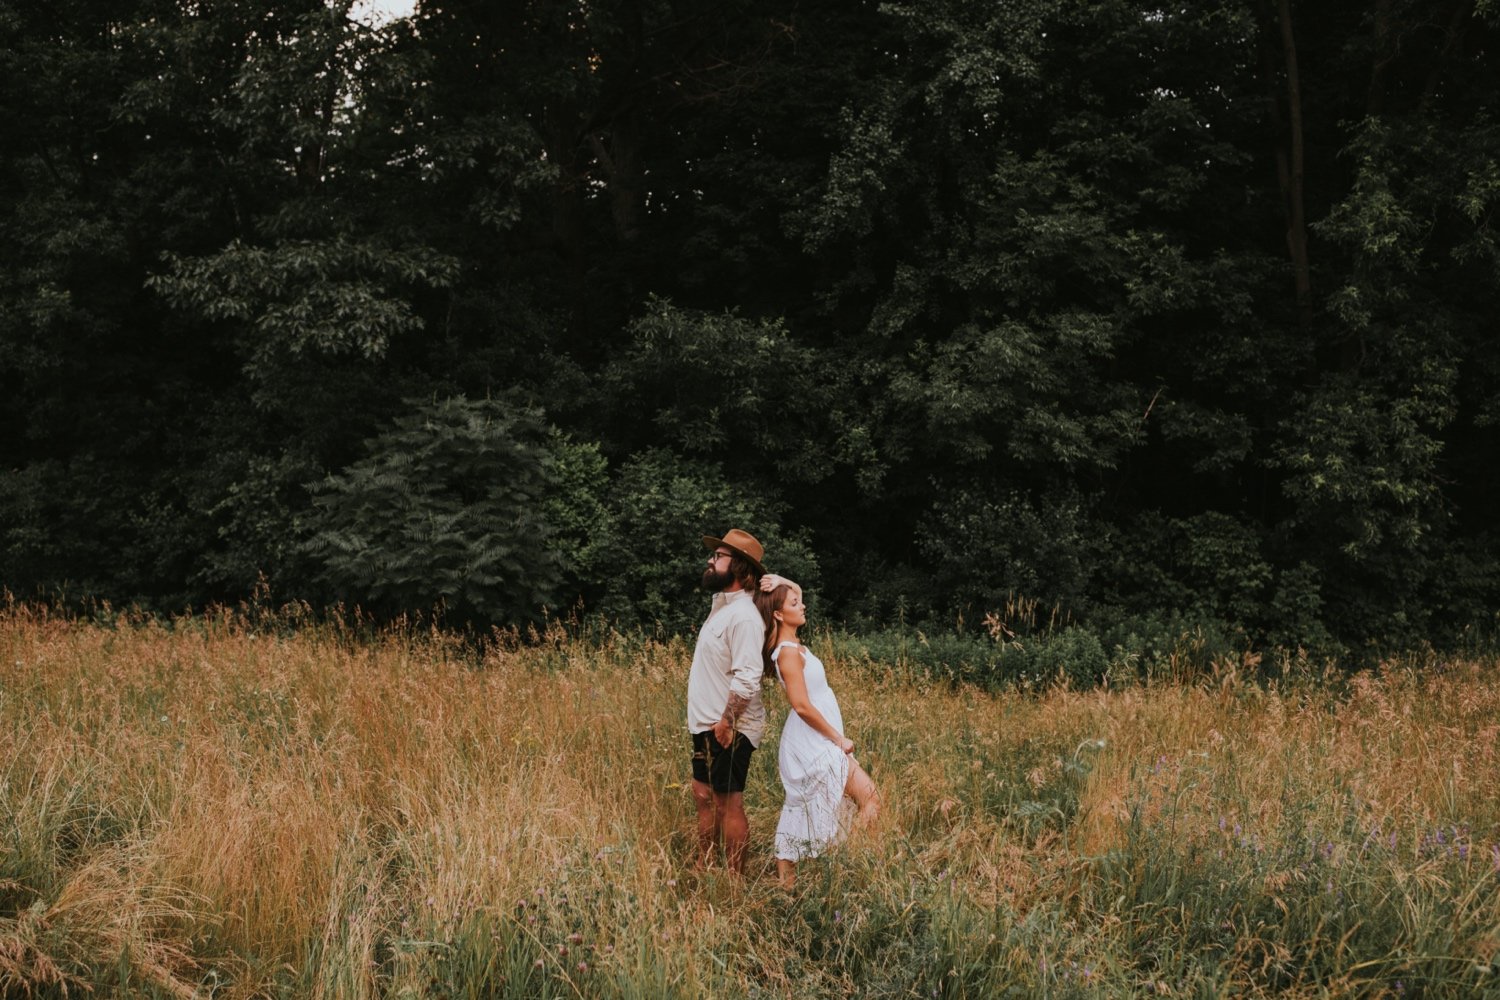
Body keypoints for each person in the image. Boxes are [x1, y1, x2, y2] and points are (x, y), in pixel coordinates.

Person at [754, 576, 879, 888]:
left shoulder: (794, 645)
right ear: (780, 615)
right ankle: (844, 865)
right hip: (812, 741)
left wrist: (783, 582)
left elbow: (795, 592)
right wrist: (837, 738)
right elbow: (801, 705)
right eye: (794, 604)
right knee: (871, 799)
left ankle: (793, 882)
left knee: (807, 811)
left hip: (817, 737)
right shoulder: (786, 652)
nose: (802, 604)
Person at [685, 528, 768, 873]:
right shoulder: (722, 605)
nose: (710, 560)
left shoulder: (746, 617)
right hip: (706, 724)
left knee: (728, 804)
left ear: (739, 566)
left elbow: (748, 677)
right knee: (703, 797)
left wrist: (727, 721)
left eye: (719, 556)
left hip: (729, 727)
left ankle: (735, 879)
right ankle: (705, 864)